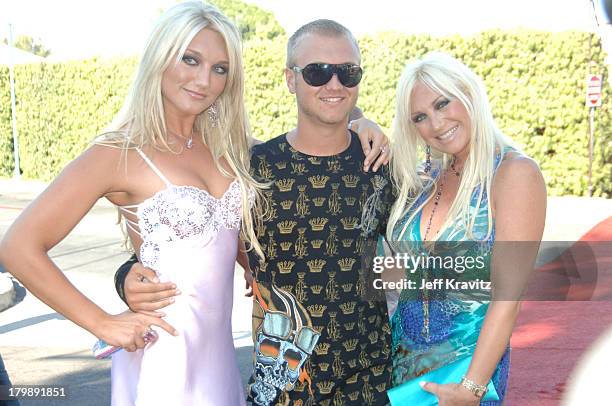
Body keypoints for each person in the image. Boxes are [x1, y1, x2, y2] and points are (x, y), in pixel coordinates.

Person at [116, 19, 394, 406]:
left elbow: (426, 258)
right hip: (282, 387)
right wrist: (126, 275)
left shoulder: (380, 164)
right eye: (317, 72)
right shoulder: (250, 169)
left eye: (348, 73)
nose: (334, 84)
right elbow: (191, 242)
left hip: (372, 384)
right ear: (290, 79)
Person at [0, 2, 264, 405]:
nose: (204, 79)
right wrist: (102, 323)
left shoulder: (227, 148)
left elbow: (228, 234)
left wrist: (359, 125)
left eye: (220, 68)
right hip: (163, 358)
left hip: (219, 364)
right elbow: (18, 247)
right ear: (160, 57)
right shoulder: (118, 153)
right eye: (190, 60)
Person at [383, 52, 546, 405]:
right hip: (401, 377)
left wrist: (470, 389)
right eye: (421, 117)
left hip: (466, 378)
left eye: (443, 103)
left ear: (469, 92)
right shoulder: (429, 182)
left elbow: (508, 298)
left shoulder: (514, 173)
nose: (437, 123)